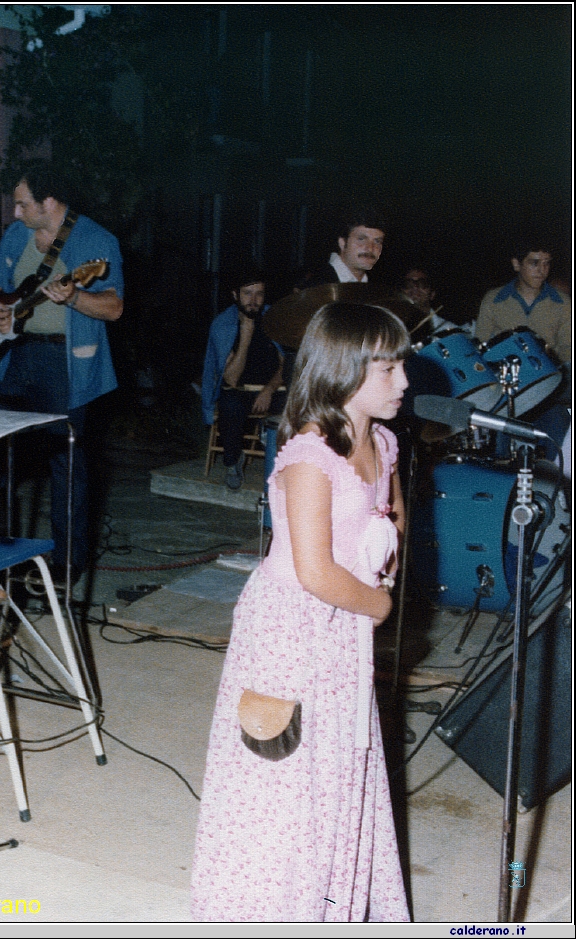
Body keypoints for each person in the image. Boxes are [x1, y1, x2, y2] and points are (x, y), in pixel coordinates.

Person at [190, 301, 411, 922]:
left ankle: (331, 903)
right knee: (283, 781)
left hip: (347, 623)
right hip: (292, 628)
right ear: (342, 370)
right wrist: (380, 602)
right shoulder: (309, 457)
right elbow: (315, 572)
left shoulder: (384, 440)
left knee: (340, 767)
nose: (404, 382)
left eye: (402, 366)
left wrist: (385, 563)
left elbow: (389, 511)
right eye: (387, 368)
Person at [0, 162, 124, 577]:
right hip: (17, 356)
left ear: (50, 202)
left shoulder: (96, 240)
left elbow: (114, 307)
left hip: (64, 364)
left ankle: (66, 565)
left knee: (67, 465)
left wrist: (74, 297)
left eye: (23, 205)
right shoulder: (16, 235)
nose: (16, 213)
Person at [201, 271, 285, 490]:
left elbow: (287, 363)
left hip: (272, 390)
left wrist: (268, 389)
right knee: (230, 405)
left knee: (299, 407)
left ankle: (286, 466)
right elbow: (230, 377)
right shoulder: (224, 325)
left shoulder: (274, 319)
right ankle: (232, 462)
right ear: (235, 295)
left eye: (259, 294)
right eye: (248, 293)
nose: (254, 300)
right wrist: (246, 336)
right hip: (238, 389)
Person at [475, 241, 571, 365]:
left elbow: (568, 348)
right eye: (534, 263)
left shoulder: (562, 302)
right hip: (506, 376)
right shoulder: (494, 299)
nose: (542, 271)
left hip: (550, 374)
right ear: (516, 264)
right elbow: (481, 344)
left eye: (546, 263)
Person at [298, 206, 387, 287]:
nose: (370, 248)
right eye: (361, 239)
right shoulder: (315, 285)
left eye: (377, 241)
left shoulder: (379, 288)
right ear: (342, 243)